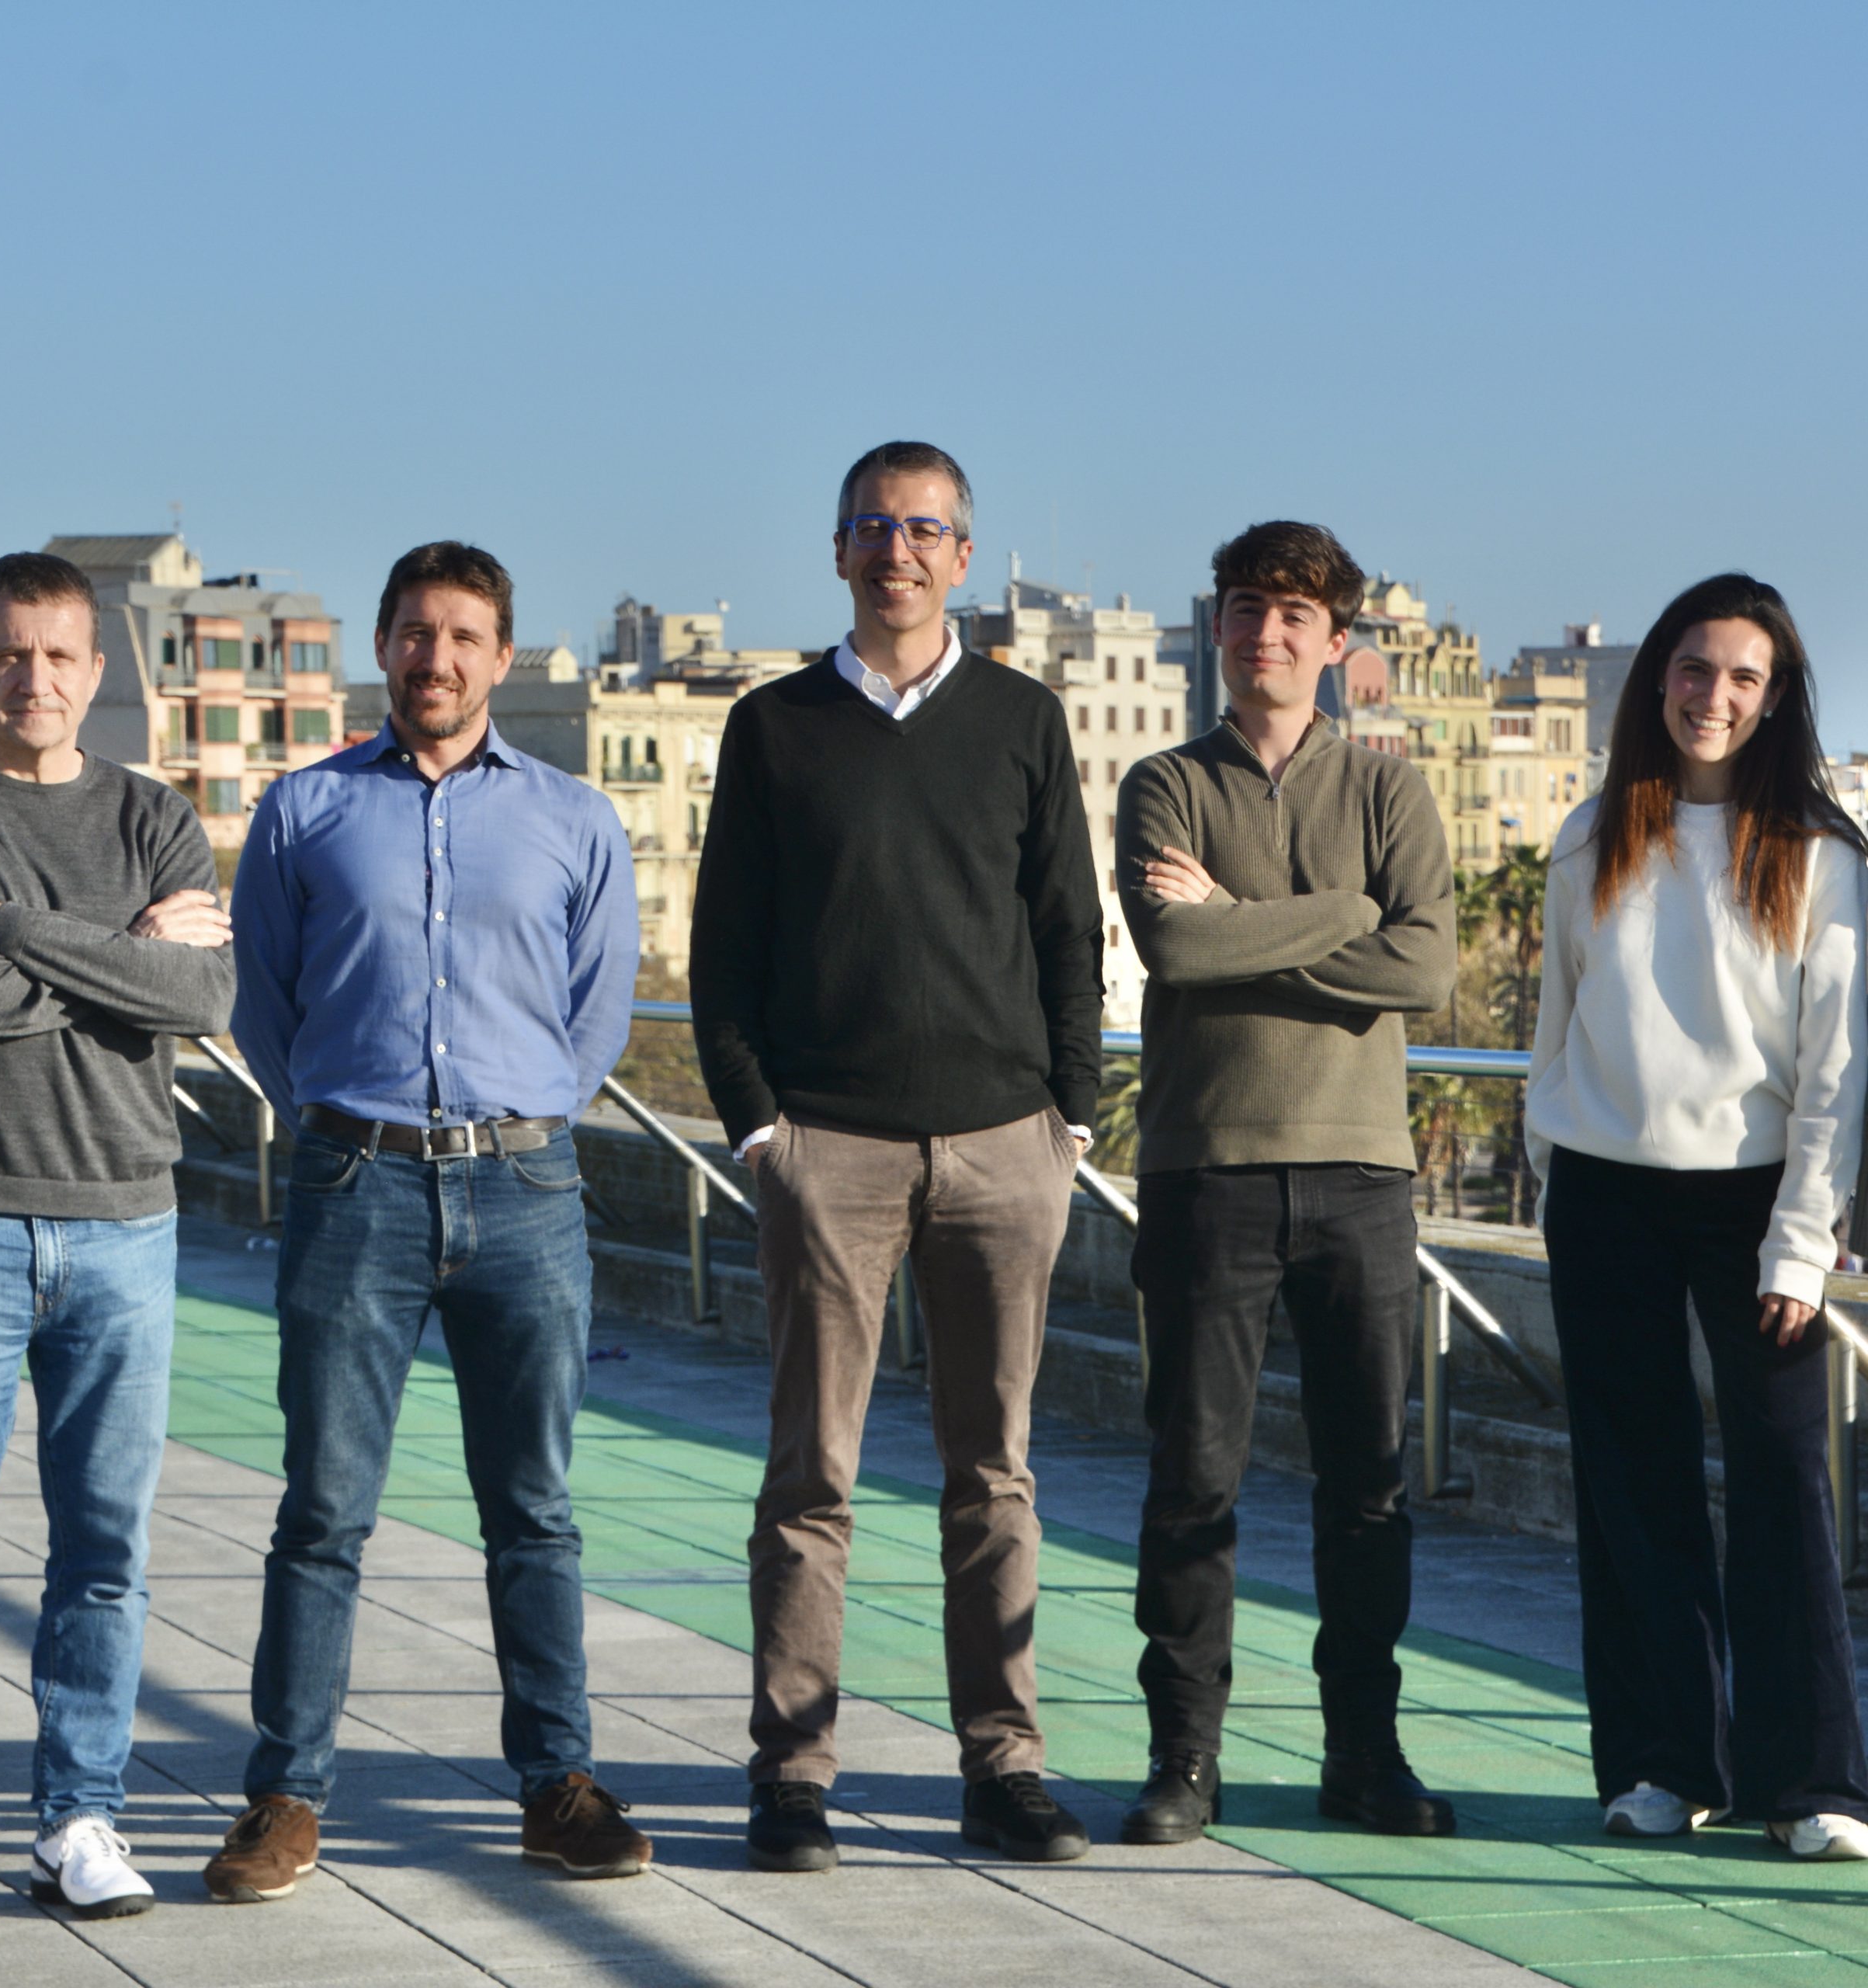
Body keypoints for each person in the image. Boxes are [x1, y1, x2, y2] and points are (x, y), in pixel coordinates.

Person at [209, 541, 644, 1902]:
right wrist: (346, 1126)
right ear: (382, 647)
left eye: (462, 637)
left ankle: (557, 1786)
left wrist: (518, 1122)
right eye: (413, 633)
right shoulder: (305, 810)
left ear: (502, 657)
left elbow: (596, 1016)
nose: (435, 659)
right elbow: (264, 1006)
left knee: (535, 1510)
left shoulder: (576, 819)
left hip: (525, 1190)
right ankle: (286, 1797)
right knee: (323, 1509)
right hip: (357, 1186)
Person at [690, 441, 1105, 1871]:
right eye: (874, 527)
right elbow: (724, 947)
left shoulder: (1024, 719)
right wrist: (763, 1128)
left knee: (996, 1477)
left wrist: (1071, 1117)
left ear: (962, 556)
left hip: (1005, 1146)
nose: (898, 551)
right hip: (833, 1148)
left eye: (924, 529)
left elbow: (1066, 926)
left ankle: (1004, 1769)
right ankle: (793, 1775)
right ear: (839, 550)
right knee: (812, 1478)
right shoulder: (774, 726)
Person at [0, 553, 234, 1940]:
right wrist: (116, 961)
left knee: (104, 1551)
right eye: (10, 654)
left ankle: (79, 1817)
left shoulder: (155, 813)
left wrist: (13, 928)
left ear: (97, 672)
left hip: (126, 1229)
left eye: (60, 656)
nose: (34, 678)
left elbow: (201, 994)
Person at [1115, 520, 1457, 1844]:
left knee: (1366, 1489)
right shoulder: (1164, 783)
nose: (1267, 633)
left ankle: (1363, 1755)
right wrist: (1346, 914)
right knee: (1193, 1480)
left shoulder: (1388, 792)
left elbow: (1424, 969)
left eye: (1295, 615)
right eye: (1247, 608)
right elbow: (1177, 951)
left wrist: (1245, 921)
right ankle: (1183, 1759)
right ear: (1219, 624)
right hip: (1207, 1171)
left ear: (1336, 642)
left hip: (1363, 1175)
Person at [1526, 572, 1868, 1859]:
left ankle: (1813, 1783)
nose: (1711, 695)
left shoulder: (1824, 857)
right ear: (1655, 679)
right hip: (1604, 1195)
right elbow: (1556, 1024)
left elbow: (1838, 1071)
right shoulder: (1593, 835)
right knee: (1630, 1482)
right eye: (1691, 667)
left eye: (1742, 676)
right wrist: (1554, 1175)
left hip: (1756, 1201)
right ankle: (1662, 1764)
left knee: (1784, 1481)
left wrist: (1802, 1240)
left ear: (1774, 699)